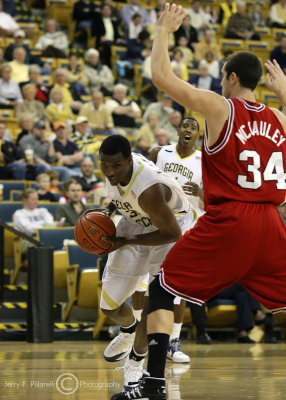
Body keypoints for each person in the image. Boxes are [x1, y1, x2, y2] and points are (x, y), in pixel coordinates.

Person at [111, 4, 286, 399]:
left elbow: (160, 76)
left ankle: (153, 385)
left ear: (231, 78)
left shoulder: (220, 107)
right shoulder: (279, 118)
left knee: (162, 291)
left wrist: (163, 31)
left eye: (222, 77)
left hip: (231, 220)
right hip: (272, 220)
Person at [97, 134, 196, 391]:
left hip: (171, 230)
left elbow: (172, 232)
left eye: (115, 165)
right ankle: (129, 329)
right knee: (109, 306)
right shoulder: (115, 170)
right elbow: (119, 199)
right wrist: (105, 214)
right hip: (137, 222)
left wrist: (127, 240)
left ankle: (135, 362)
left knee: (155, 301)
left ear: (128, 161)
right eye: (104, 165)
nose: (109, 171)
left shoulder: (149, 190)